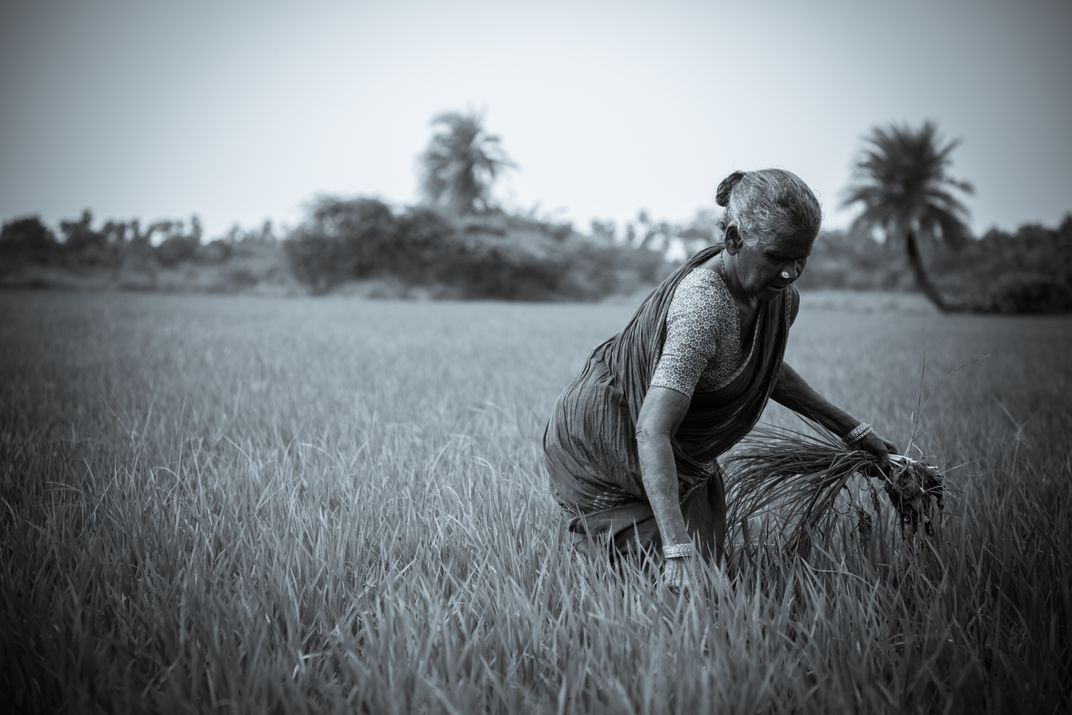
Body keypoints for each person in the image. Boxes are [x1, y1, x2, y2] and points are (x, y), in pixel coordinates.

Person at [542, 169, 897, 593]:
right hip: (605, 443)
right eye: (777, 257)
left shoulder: (778, 299)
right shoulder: (704, 306)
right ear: (732, 239)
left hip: (672, 451)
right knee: (660, 585)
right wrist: (676, 550)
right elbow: (652, 428)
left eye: (800, 258)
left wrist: (855, 432)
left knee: (706, 578)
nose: (790, 274)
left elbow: (759, 368)